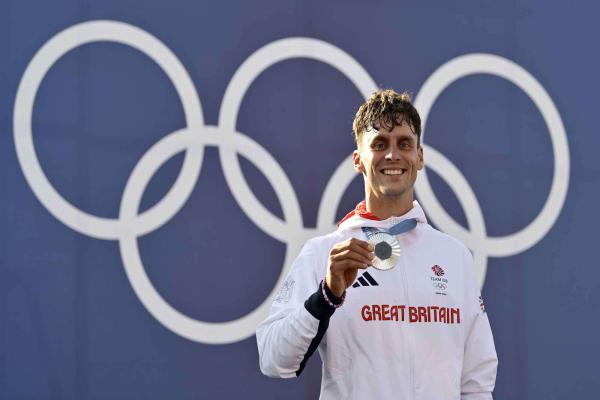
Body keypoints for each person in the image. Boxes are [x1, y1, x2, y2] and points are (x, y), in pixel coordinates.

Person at [256, 89, 497, 399]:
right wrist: (326, 296)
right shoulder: (325, 253)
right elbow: (274, 360)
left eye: (404, 144)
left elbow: (476, 382)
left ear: (419, 157)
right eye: (379, 144)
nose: (393, 155)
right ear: (359, 160)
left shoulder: (454, 257)